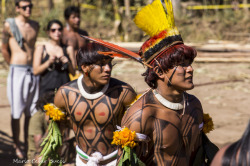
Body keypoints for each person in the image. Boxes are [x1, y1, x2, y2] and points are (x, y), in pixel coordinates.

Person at [118, 0, 206, 165]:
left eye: (189, 63)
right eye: (182, 65)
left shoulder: (194, 105)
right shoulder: (141, 115)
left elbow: (199, 154)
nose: (190, 69)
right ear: (159, 72)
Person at [54, 42, 137, 166]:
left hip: (116, 161)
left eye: (109, 63)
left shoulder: (123, 92)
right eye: (101, 65)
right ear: (85, 67)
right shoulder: (65, 94)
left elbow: (139, 133)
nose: (108, 69)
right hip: (82, 162)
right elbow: (56, 133)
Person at [1, 0, 39, 159]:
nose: (28, 9)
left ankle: (27, 143)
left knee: (31, 111)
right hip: (17, 71)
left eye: (30, 6)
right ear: (17, 9)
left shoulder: (35, 25)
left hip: (32, 71)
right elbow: (3, 47)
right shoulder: (9, 25)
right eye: (24, 7)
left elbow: (34, 47)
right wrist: (12, 65)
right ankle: (17, 144)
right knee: (16, 111)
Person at [33, 19, 76, 97]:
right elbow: (35, 71)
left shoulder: (68, 49)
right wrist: (48, 62)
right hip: (46, 91)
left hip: (65, 91)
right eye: (53, 30)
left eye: (59, 29)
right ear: (48, 32)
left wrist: (68, 63)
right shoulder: (41, 48)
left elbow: (73, 72)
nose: (57, 32)